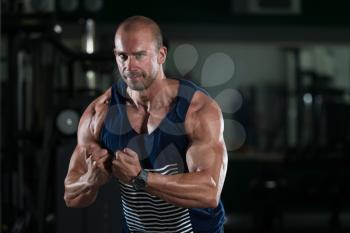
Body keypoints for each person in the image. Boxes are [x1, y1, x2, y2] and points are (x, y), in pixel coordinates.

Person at [64, 15, 228, 233]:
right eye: (122, 56)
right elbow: (70, 194)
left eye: (139, 55)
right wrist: (89, 181)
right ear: (115, 55)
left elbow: (209, 192)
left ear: (161, 55)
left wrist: (141, 178)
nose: (129, 66)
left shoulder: (196, 110)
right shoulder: (100, 112)